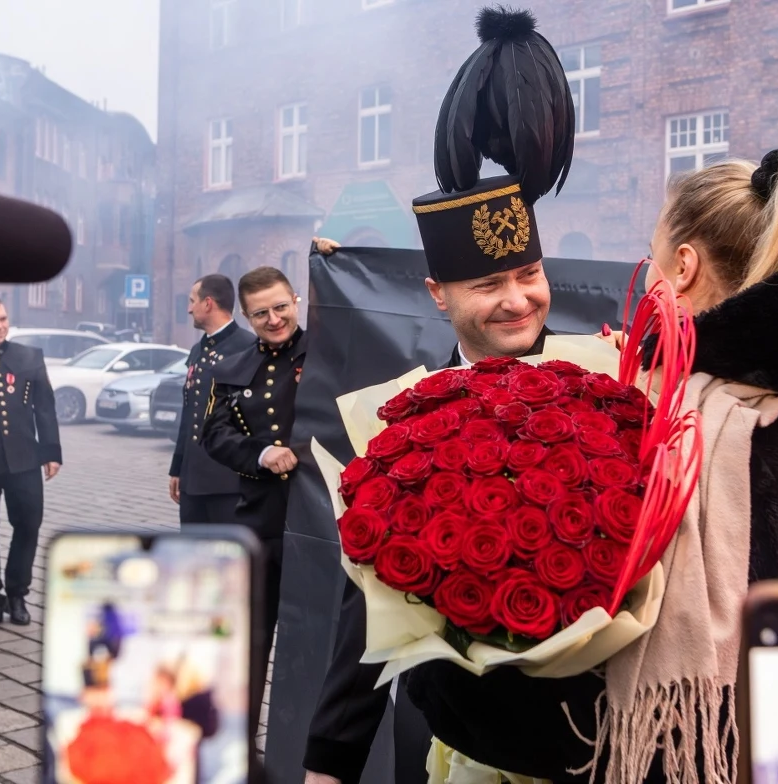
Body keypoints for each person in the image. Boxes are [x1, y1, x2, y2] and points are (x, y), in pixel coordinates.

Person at [402, 149, 778, 784]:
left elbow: (637, 696)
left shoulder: (693, 423)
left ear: (684, 266)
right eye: (485, 285)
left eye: (654, 250)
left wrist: (445, 688)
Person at [303, 7, 576, 784]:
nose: (518, 301)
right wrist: (328, 760)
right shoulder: (401, 420)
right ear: (436, 293)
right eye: (489, 284)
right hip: (448, 737)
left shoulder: (602, 389)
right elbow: (369, 607)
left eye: (528, 276)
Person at [200, 266, 307, 732]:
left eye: (281, 307)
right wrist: (260, 453)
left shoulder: (325, 349)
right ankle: (238, 738)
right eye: (261, 313)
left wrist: (335, 263)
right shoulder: (232, 368)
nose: (274, 319)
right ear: (246, 316)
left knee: (312, 637)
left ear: (297, 300)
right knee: (249, 638)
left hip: (321, 524)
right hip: (260, 523)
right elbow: (213, 433)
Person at [0, 295, 62, 633]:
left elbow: (45, 408)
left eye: (3, 318)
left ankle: (18, 594)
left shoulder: (28, 357)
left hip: (23, 459)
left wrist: (50, 452)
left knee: (28, 525)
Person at [168, 274, 257, 523]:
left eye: (192, 301)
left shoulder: (248, 347)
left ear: (208, 303)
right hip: (193, 479)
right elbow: (189, 413)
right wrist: (178, 468)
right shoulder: (198, 350)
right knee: (190, 553)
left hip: (228, 481)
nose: (188, 308)